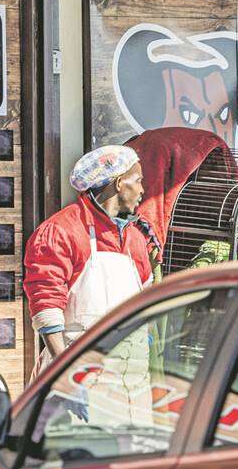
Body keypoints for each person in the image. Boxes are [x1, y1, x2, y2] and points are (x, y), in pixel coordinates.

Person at [23, 144, 157, 369]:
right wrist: (65, 373)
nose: (143, 189)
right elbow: (46, 307)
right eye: (138, 180)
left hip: (129, 377)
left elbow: (147, 303)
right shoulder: (60, 231)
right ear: (119, 183)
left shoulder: (135, 239)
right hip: (74, 373)